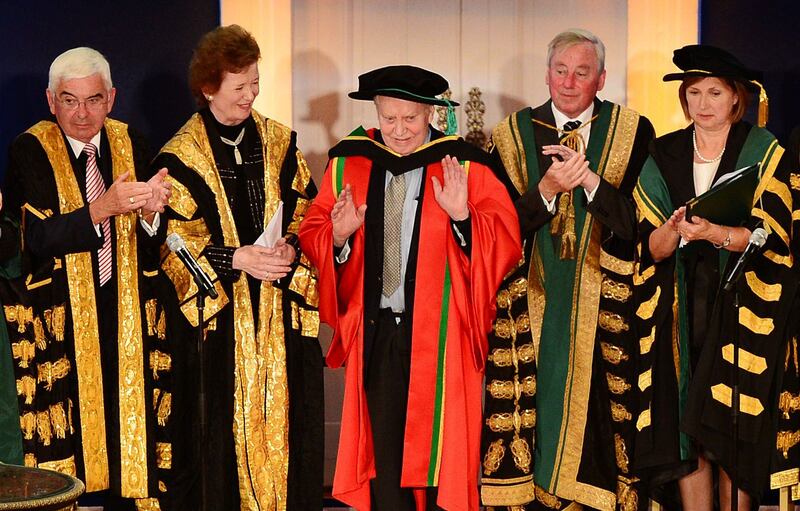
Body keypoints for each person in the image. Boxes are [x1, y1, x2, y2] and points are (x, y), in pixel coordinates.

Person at [299, 65, 521, 510]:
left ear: (430, 115)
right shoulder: (350, 162)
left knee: (440, 451)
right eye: (389, 119)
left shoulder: (465, 165)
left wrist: (463, 218)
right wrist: (338, 236)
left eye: (411, 119)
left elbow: (506, 241)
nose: (399, 131)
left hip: (442, 337)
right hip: (378, 332)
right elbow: (315, 231)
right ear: (376, 114)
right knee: (383, 453)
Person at [480, 29, 655, 510]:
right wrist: (550, 189)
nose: (569, 82)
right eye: (561, 71)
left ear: (601, 78)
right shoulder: (512, 135)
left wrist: (592, 183)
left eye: (582, 72)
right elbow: (497, 229)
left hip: (609, 307)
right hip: (529, 301)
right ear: (546, 74)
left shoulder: (632, 131)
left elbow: (641, 224)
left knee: (600, 416)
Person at [152, 25, 322, 510]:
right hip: (219, 333)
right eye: (239, 85)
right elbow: (172, 245)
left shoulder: (280, 142)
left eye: (254, 83)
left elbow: (307, 212)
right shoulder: (178, 156)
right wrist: (237, 258)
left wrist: (291, 246)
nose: (251, 94)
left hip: (280, 321)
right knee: (216, 453)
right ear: (208, 88)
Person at [2, 47, 172, 508]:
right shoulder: (30, 149)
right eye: (69, 100)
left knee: (126, 436)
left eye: (93, 99)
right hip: (59, 317)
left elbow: (153, 237)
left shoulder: (131, 142)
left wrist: (153, 214)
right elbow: (34, 238)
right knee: (71, 438)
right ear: (50, 100)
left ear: (112, 98)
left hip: (124, 308)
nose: (82, 113)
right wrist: (105, 209)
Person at [632, 44, 794, 509]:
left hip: (743, 306)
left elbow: (776, 238)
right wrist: (674, 230)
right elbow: (649, 247)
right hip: (680, 308)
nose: (703, 104)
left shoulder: (763, 151)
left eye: (715, 93)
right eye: (694, 93)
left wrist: (717, 232)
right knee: (688, 430)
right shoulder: (664, 152)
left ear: (736, 98)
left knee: (731, 428)